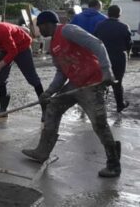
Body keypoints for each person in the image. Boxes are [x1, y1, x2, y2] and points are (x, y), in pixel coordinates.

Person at [23, 11, 121, 178]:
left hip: (92, 82)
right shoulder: (52, 45)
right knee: (53, 107)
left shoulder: (69, 31)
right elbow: (62, 73)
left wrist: (106, 70)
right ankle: (42, 151)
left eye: (39, 26)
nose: (39, 30)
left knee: (99, 123)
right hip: (75, 83)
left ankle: (113, 164)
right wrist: (49, 92)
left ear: (47, 24)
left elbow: (97, 44)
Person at [93, 5, 131, 112]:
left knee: (102, 81)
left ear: (108, 14)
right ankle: (120, 105)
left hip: (102, 57)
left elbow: (94, 40)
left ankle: (100, 105)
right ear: (119, 14)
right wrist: (127, 51)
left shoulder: (99, 26)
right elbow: (129, 44)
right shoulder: (124, 27)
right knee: (117, 82)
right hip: (119, 58)